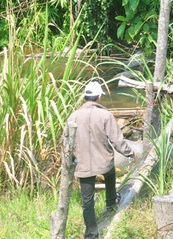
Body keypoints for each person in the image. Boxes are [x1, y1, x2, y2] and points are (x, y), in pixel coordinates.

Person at [69, 80, 134, 239]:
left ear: (86, 97)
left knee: (87, 202)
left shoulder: (74, 116)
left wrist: (71, 163)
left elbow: (67, 142)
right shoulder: (105, 115)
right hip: (104, 163)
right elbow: (117, 141)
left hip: (82, 165)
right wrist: (131, 153)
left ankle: (91, 234)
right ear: (98, 97)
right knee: (110, 174)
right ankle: (111, 203)